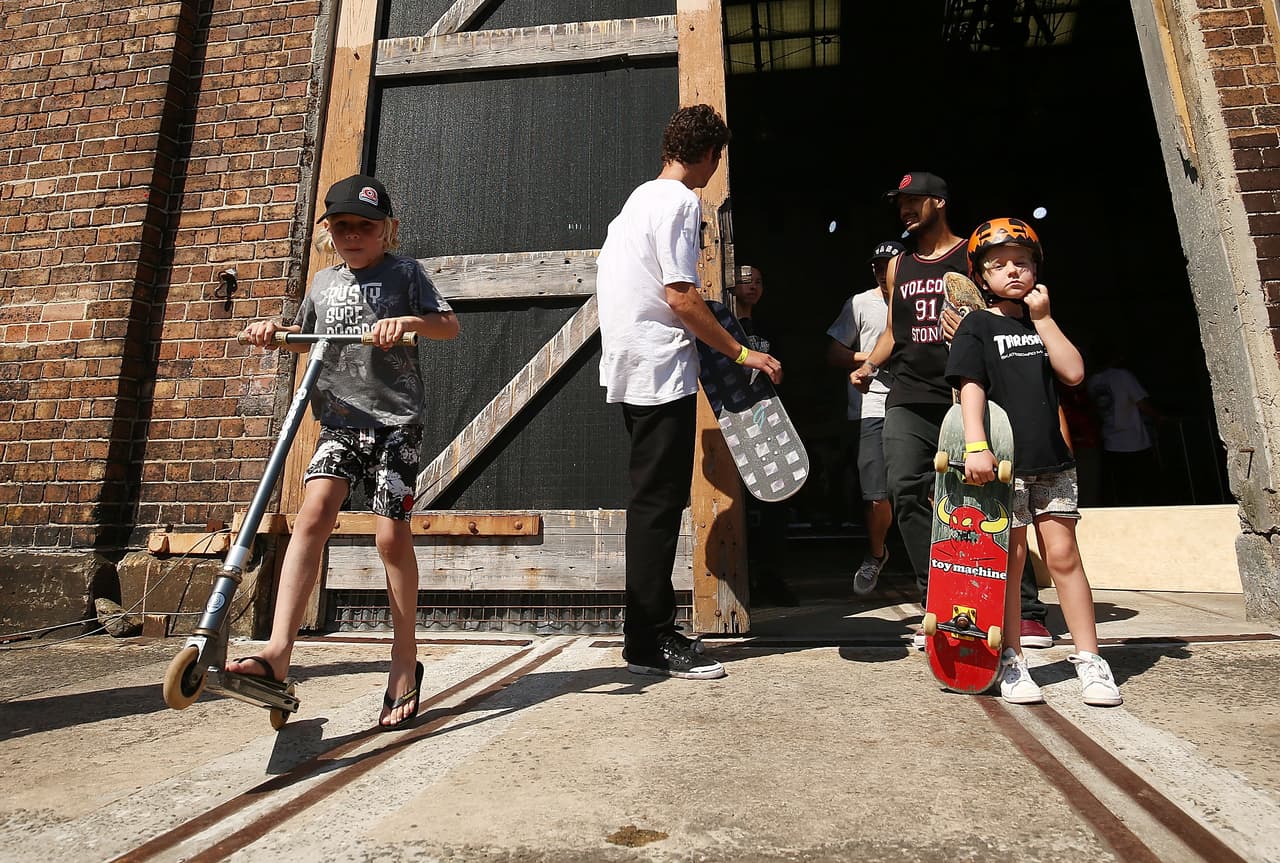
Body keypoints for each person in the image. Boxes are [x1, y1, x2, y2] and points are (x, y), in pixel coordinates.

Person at [228, 174, 461, 729]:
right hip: (338, 421)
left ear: (387, 230)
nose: (353, 235)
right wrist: (271, 331)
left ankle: (404, 656)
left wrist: (409, 321)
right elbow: (301, 335)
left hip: (395, 425)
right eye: (341, 226)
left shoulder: (405, 273)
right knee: (311, 516)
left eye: (365, 226)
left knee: (389, 535)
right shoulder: (322, 283)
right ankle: (278, 652)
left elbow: (448, 326)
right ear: (328, 231)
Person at [597, 104, 782, 680]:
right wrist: (744, 353)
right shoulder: (679, 202)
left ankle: (644, 635)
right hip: (659, 370)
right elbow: (680, 296)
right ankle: (651, 640)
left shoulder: (637, 200)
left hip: (631, 366)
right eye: (717, 157)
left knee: (650, 505)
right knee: (657, 508)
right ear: (709, 154)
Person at [850, 172, 1052, 649]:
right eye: (900, 202)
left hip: (967, 391)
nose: (905, 209)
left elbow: (1005, 309)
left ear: (939, 203)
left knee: (991, 495)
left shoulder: (971, 254)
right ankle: (939, 601)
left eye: (914, 200)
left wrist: (970, 322)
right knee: (905, 489)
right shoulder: (899, 265)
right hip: (908, 394)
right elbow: (894, 330)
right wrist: (870, 365)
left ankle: (1024, 609)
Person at [944, 217, 1122, 706]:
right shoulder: (977, 325)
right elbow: (970, 388)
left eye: (1022, 263)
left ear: (1037, 269)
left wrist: (1043, 318)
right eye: (999, 265)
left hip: (1053, 463)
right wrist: (975, 446)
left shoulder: (1040, 322)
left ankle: (1090, 660)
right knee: (1011, 561)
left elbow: (1073, 373)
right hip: (1005, 464)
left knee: (1065, 558)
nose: (1012, 271)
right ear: (982, 276)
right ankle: (1012, 659)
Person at [826, 240, 904, 594]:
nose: (882, 272)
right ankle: (876, 553)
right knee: (875, 493)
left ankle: (936, 565)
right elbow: (834, 353)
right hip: (871, 405)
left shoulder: (920, 300)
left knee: (925, 490)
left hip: (914, 401)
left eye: (889, 265)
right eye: (877, 266)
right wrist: (871, 358)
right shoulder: (859, 303)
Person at [730, 265, 797, 606]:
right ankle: (740, 580)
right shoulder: (724, 327)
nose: (752, 287)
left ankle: (772, 577)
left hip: (768, 420)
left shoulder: (769, 328)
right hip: (733, 419)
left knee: (774, 497)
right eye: (745, 281)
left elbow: (784, 372)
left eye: (758, 281)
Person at [1087, 343, 1167, 506]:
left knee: (1122, 492)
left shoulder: (1092, 381)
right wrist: (1159, 417)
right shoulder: (1123, 376)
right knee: (1147, 490)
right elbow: (1142, 403)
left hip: (1110, 441)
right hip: (1134, 442)